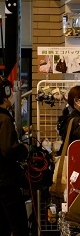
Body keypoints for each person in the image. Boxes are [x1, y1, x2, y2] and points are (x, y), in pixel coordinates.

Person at [0, 77, 30, 236]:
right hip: (5, 182)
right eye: (11, 91)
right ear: (5, 93)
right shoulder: (4, 119)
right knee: (20, 227)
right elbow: (8, 149)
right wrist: (24, 149)